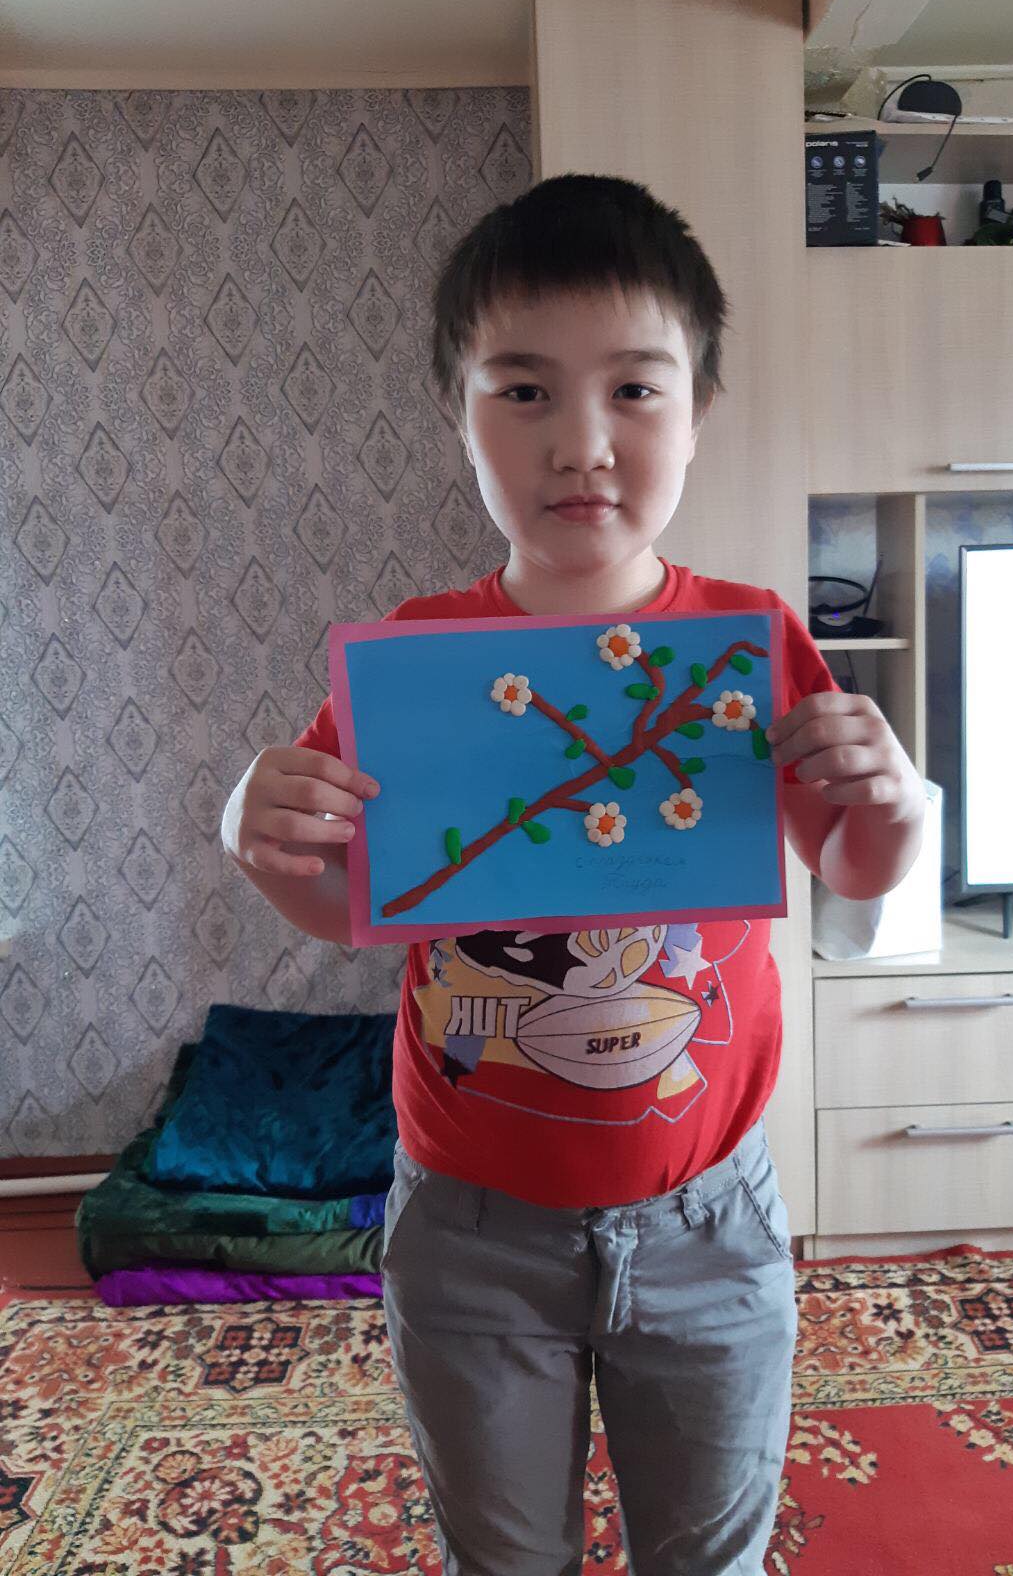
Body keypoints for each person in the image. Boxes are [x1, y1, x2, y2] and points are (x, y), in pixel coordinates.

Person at [221, 173, 924, 1575]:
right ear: (460, 413)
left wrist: (895, 811)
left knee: (708, 1556)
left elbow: (847, 866)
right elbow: (354, 908)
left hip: (709, 1214)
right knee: (502, 1556)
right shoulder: (418, 658)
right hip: (471, 1225)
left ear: (699, 408)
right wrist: (259, 835)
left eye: (636, 391)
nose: (583, 444)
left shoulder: (751, 637)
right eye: (525, 391)